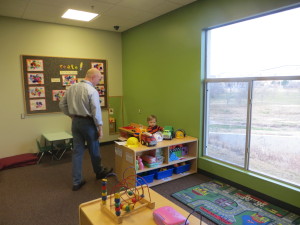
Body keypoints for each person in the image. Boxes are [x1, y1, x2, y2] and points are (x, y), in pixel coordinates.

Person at [59, 68, 112, 191]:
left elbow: (62, 104)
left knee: (77, 152)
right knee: (94, 150)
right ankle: (99, 172)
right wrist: (100, 128)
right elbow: (96, 111)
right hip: (88, 123)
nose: (98, 81)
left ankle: (77, 181)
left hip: (76, 123)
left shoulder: (72, 87)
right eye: (99, 79)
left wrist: (71, 115)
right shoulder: (91, 90)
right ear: (93, 77)